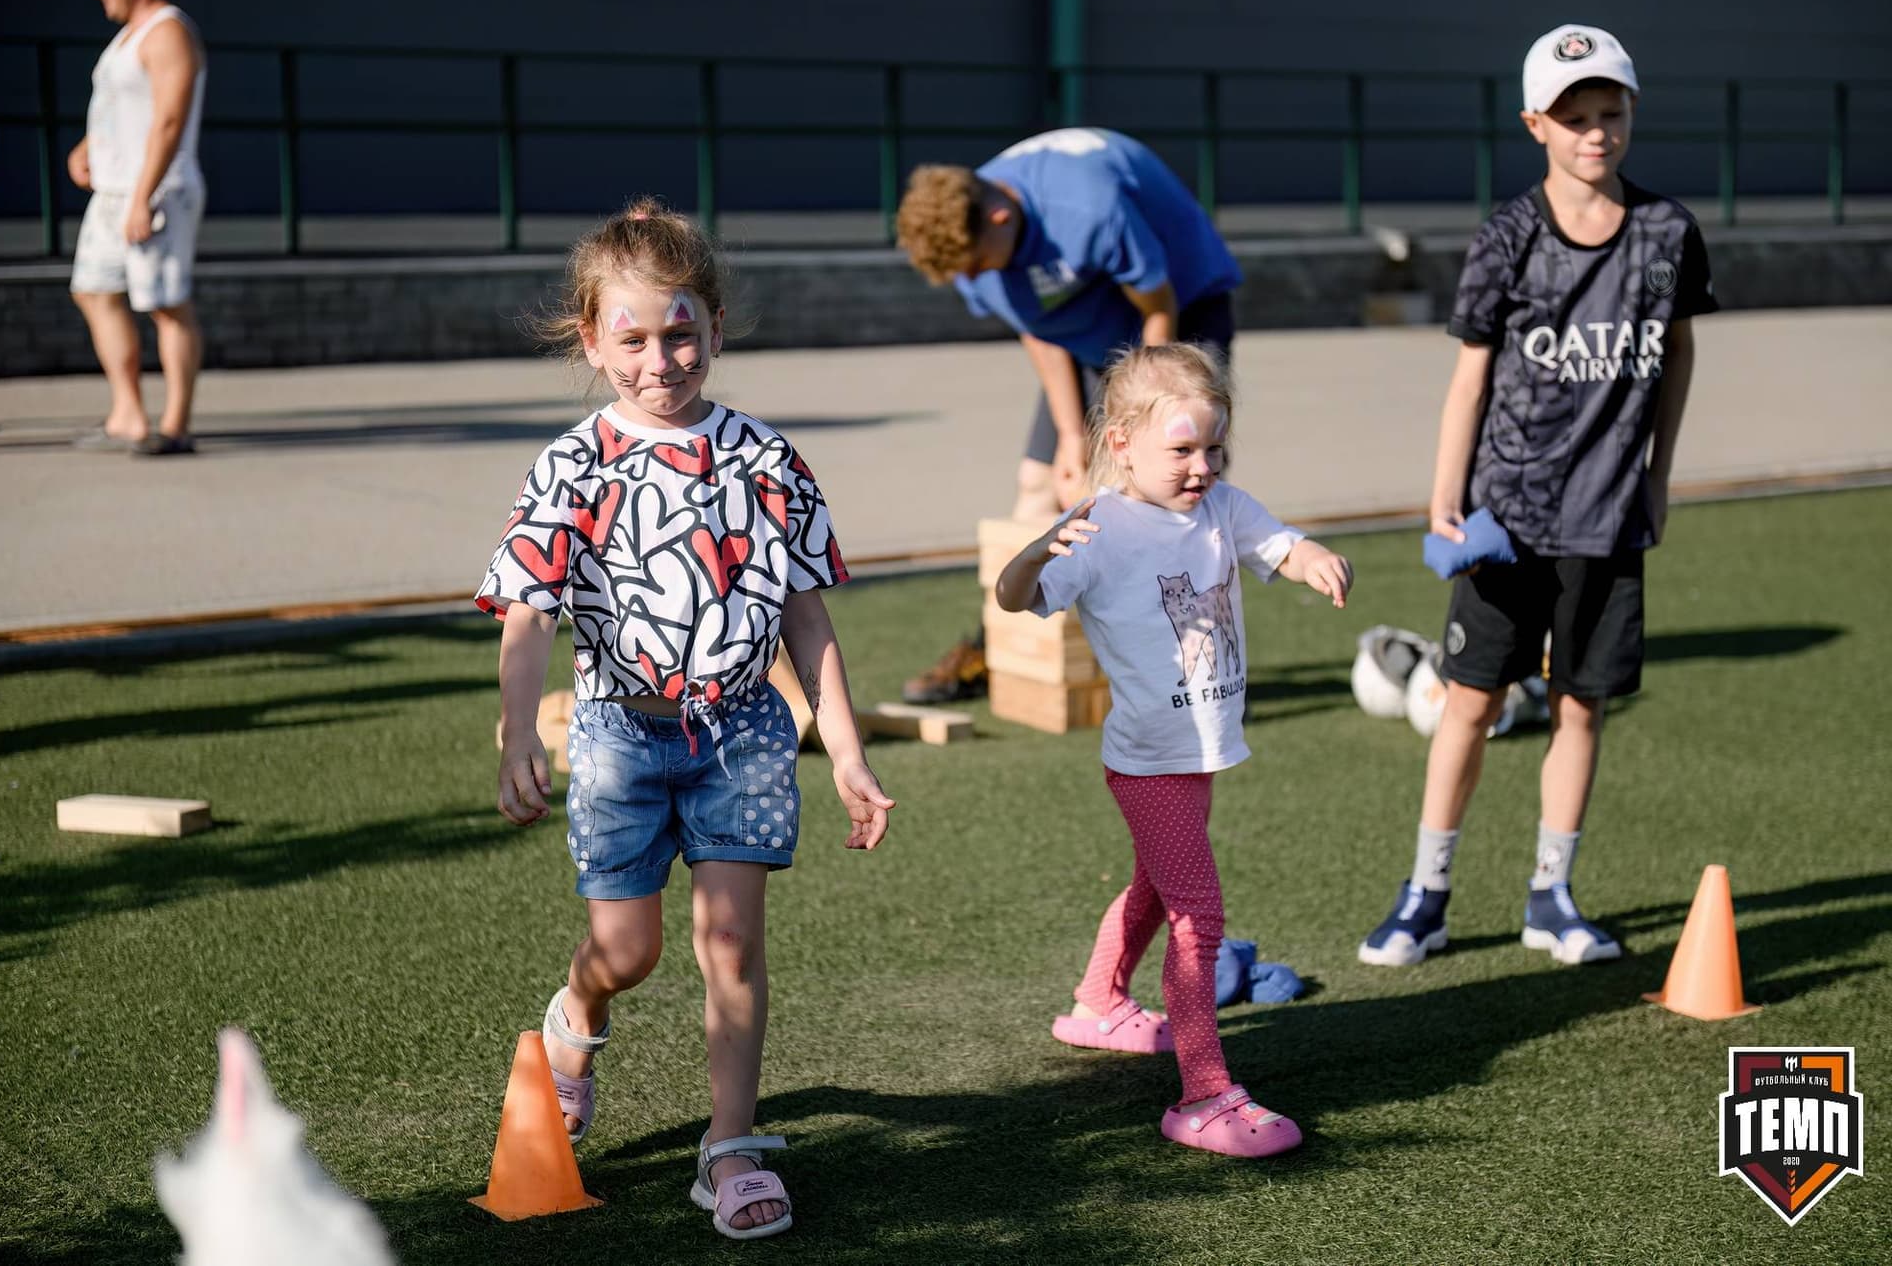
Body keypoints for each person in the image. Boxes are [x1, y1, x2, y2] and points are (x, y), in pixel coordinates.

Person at [479, 199, 896, 1241]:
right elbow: (529, 612)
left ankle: (731, 1149)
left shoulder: (767, 458)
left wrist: (845, 750)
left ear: (713, 324)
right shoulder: (573, 463)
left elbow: (807, 615)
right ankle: (577, 1016)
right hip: (620, 736)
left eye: (679, 333)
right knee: (628, 950)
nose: (660, 361)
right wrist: (519, 730)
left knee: (732, 947)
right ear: (591, 341)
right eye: (632, 341)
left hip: (743, 732)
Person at [1358, 25, 1715, 969]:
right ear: (1535, 125)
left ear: (1631, 112)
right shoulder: (1508, 237)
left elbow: (1678, 354)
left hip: (1610, 519)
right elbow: (1469, 380)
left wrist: (1660, 477)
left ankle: (1552, 898)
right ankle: (1426, 897)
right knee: (1469, 704)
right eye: (1574, 117)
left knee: (1581, 708)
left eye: (1610, 112)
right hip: (1507, 520)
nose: (1595, 132)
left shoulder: (1669, 232)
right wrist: (1444, 498)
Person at [995, 343, 1353, 1157]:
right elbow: (1015, 597)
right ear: (1121, 442)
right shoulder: (1098, 528)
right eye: (1183, 449)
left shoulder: (1223, 507)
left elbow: (1281, 544)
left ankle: (1098, 1002)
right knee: (1200, 914)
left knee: (1157, 889)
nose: (1203, 467)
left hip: (1198, 750)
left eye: (1213, 448)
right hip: (1148, 761)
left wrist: (1315, 560)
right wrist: (1032, 553)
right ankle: (1204, 1095)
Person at [894, 127, 1243, 701]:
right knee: (1039, 484)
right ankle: (1002, 650)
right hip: (1086, 328)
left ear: (1001, 216)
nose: (975, 281)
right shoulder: (973, 244)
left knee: (1172, 486)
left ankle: (1207, 673)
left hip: (1179, 309)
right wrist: (1069, 435)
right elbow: (1039, 327)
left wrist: (1146, 423)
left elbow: (1159, 308)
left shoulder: (1087, 208)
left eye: (978, 265)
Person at [68, 0, 206, 456]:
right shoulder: (127, 36)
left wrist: (144, 196)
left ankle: (175, 427)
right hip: (113, 190)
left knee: (167, 306)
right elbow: (123, 108)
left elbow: (169, 119)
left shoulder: (168, 32)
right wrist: (88, 148)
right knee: (93, 290)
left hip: (157, 191)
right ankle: (127, 415)